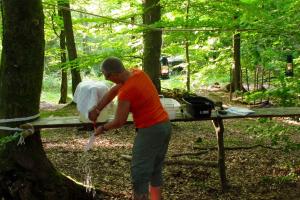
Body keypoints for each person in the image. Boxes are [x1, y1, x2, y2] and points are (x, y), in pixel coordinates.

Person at [88, 57, 171, 200]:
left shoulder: (127, 91)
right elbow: (114, 90)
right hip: (165, 126)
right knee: (155, 169)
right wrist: (97, 108)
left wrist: (102, 128)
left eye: (107, 76)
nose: (108, 80)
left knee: (139, 173)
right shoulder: (137, 73)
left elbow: (119, 121)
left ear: (113, 74)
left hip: (150, 131)